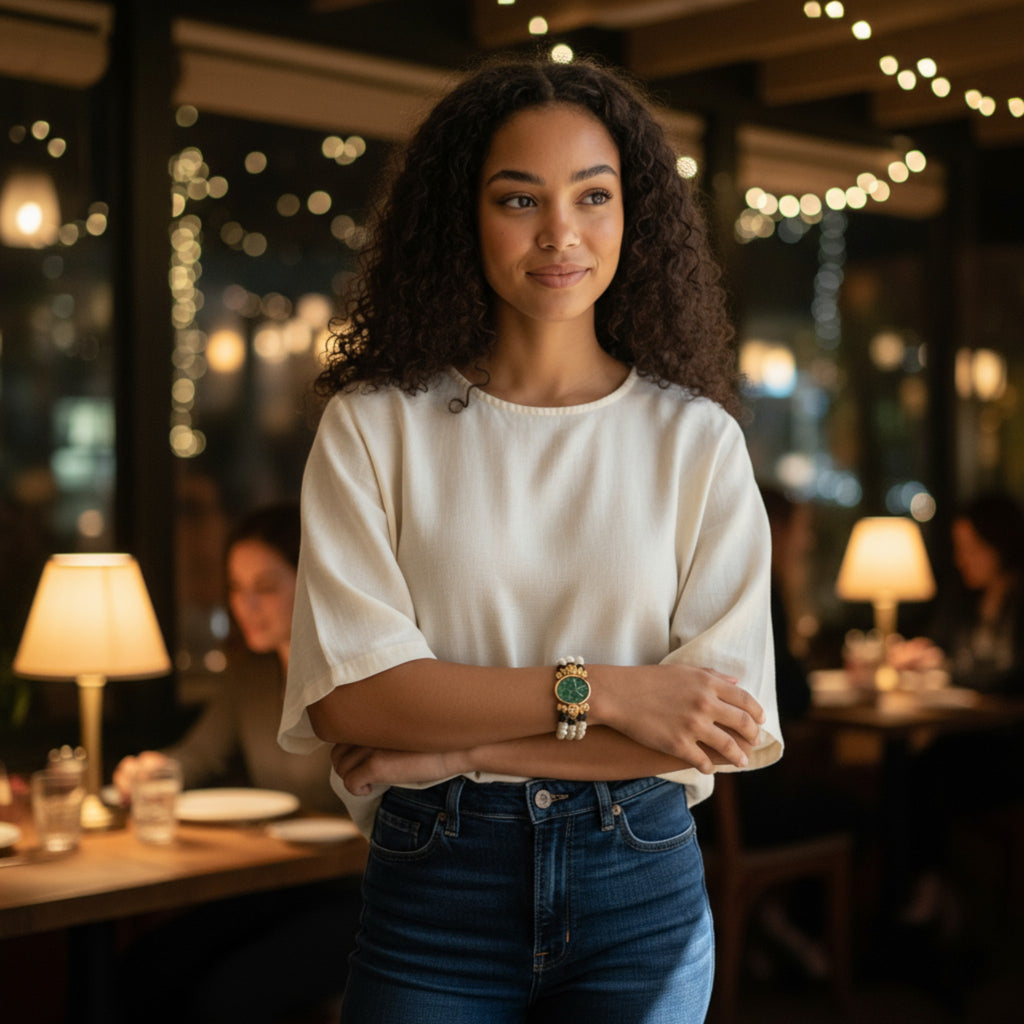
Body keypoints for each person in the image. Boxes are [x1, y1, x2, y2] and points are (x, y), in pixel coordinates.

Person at [280, 54, 782, 1024]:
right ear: (461, 215)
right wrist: (619, 692)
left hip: (636, 892)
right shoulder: (375, 424)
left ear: (631, 213)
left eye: (593, 196)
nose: (561, 233)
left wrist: (448, 742)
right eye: (520, 200)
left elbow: (717, 731)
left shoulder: (695, 441)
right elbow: (352, 696)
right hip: (435, 891)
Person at [114, 502, 361, 1024]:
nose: (245, 605)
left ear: (314, 581)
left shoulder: (356, 679)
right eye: (235, 588)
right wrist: (152, 770)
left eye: (266, 587)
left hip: (356, 895)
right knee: (144, 968)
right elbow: (199, 755)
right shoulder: (247, 675)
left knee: (220, 999)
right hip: (280, 883)